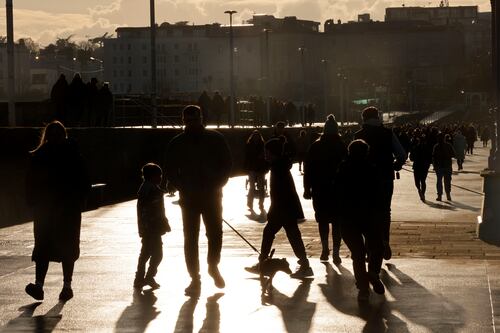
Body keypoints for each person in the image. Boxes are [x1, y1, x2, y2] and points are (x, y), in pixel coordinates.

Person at [165, 105, 232, 296]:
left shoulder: (215, 139)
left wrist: (217, 184)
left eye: (193, 120)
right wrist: (181, 186)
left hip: (211, 195)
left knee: (215, 234)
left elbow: (226, 165)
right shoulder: (177, 143)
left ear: (201, 118)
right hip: (189, 197)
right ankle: (195, 278)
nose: (190, 124)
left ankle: (212, 265)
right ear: (183, 121)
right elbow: (169, 169)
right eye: (187, 121)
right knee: (191, 239)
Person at [25, 121, 90, 302]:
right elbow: (84, 180)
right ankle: (66, 286)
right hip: (68, 209)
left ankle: (40, 285)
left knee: (43, 246)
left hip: (46, 209)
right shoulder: (73, 155)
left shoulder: (40, 155)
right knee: (66, 246)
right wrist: (79, 201)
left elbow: (30, 181)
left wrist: (33, 202)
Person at [245, 137, 313, 278]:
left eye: (267, 151)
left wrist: (272, 211)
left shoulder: (277, 169)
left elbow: (279, 193)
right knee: (292, 235)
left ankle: (262, 264)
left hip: (282, 209)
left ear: (273, 153)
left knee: (271, 233)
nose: (265, 154)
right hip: (287, 208)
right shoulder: (280, 166)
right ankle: (304, 265)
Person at [335, 139, 385, 301]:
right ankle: (373, 272)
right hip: (369, 215)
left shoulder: (342, 169)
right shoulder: (371, 169)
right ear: (366, 153)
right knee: (377, 247)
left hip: (347, 217)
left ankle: (363, 288)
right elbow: (379, 194)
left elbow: (336, 192)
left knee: (357, 253)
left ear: (349, 152)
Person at [354, 106, 406, 260]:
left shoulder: (358, 135)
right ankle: (385, 242)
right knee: (384, 211)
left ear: (363, 118)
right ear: (378, 117)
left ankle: (369, 246)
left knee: (366, 211)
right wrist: (396, 164)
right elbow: (402, 154)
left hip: (364, 180)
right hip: (385, 177)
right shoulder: (387, 133)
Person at [303, 115, 347, 264]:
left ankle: (324, 249)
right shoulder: (342, 146)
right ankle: (336, 252)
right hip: (338, 189)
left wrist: (306, 188)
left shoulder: (315, 146)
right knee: (337, 222)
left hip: (319, 188)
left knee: (322, 221)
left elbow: (308, 169)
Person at [134, 163, 171, 290]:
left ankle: (140, 278)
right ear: (152, 176)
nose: (161, 177)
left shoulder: (148, 188)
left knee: (146, 253)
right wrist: (161, 223)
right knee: (156, 254)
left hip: (149, 228)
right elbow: (153, 210)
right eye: (159, 175)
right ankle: (147, 277)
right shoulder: (150, 190)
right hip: (151, 228)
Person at [244, 130, 269, 215]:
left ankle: (259, 204)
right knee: (253, 187)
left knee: (260, 188)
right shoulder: (260, 145)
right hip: (254, 168)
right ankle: (251, 203)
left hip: (258, 168)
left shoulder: (252, 145)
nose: (256, 138)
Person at [409, 130, 432, 202]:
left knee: (417, 181)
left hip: (417, 166)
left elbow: (411, 158)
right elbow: (430, 157)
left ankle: (419, 190)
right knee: (423, 181)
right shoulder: (427, 148)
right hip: (425, 166)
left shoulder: (415, 148)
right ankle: (423, 193)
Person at [432, 132, 455, 201]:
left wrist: (434, 165)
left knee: (439, 181)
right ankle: (448, 194)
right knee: (447, 180)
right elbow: (453, 154)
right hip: (447, 165)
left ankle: (440, 195)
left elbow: (433, 157)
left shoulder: (436, 146)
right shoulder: (448, 145)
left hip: (439, 166)